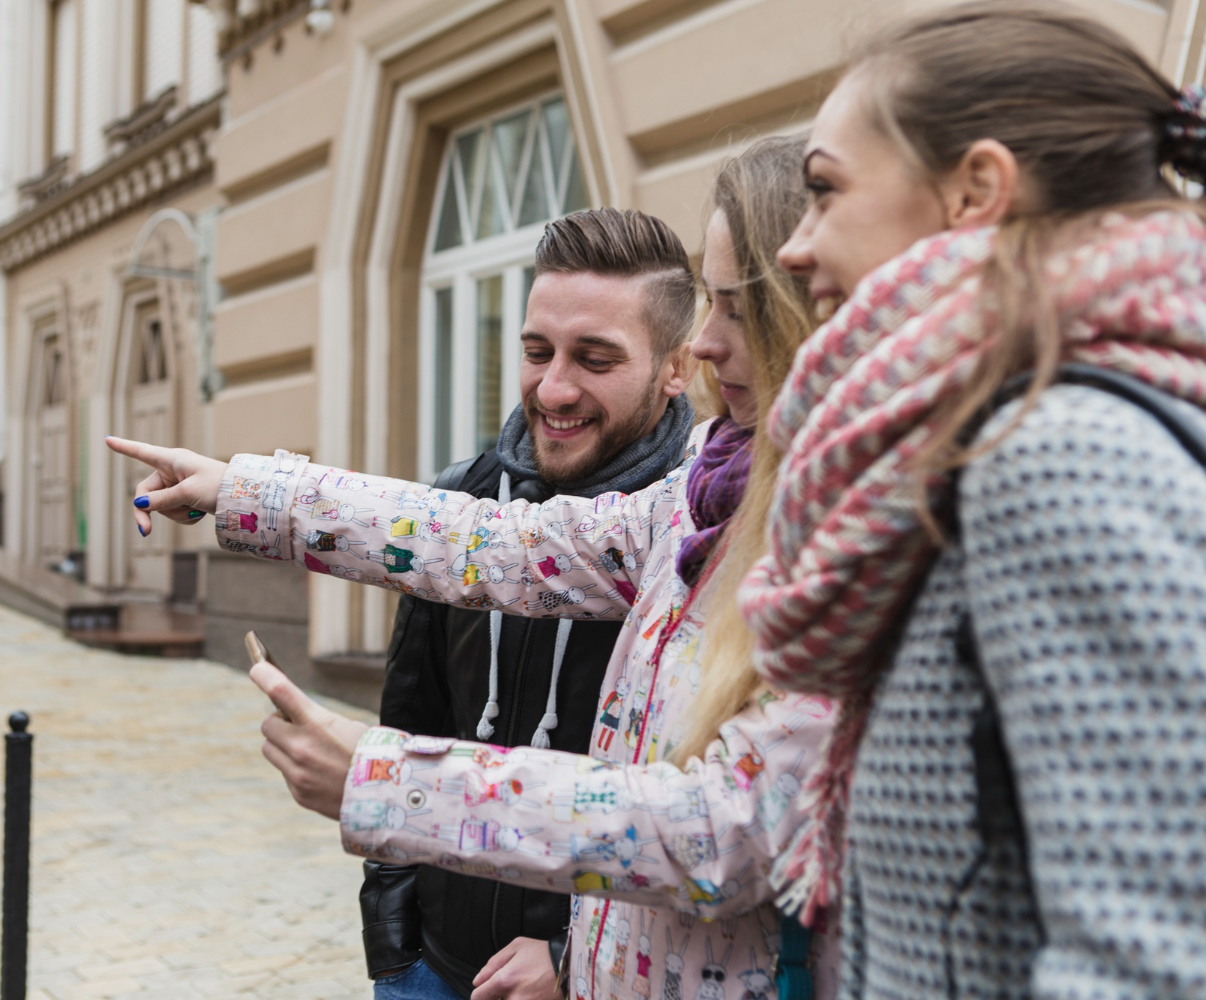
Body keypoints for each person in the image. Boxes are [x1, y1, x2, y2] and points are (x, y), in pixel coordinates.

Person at [107, 134, 839, 999]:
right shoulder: (712, 488)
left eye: (735, 309)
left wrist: (387, 787)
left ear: (818, 308)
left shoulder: (847, 526)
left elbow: (718, 835)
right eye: (538, 351)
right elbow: (493, 543)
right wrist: (244, 491)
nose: (711, 341)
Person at [738, 3, 1206, 996]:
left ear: (977, 190)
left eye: (824, 190)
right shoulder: (965, 439)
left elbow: (1157, 955)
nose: (794, 245)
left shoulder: (1058, 454)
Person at [366, 208, 699, 1000]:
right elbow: (411, 723)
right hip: (429, 969)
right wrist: (393, 943)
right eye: (536, 351)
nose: (554, 388)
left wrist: (565, 952)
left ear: (676, 365)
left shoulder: (692, 537)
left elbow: (698, 814)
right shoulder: (463, 501)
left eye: (594, 359)